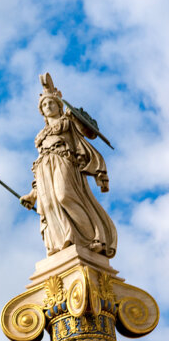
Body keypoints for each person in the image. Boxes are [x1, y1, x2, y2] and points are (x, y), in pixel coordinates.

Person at [19, 72, 117, 257]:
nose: (48, 106)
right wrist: (33, 195)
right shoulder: (41, 135)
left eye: (52, 103)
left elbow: (90, 132)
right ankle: (63, 241)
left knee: (64, 196)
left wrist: (77, 116)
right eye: (45, 104)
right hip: (44, 168)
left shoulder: (67, 122)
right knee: (48, 204)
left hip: (64, 159)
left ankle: (92, 239)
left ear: (59, 106)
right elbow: (38, 164)